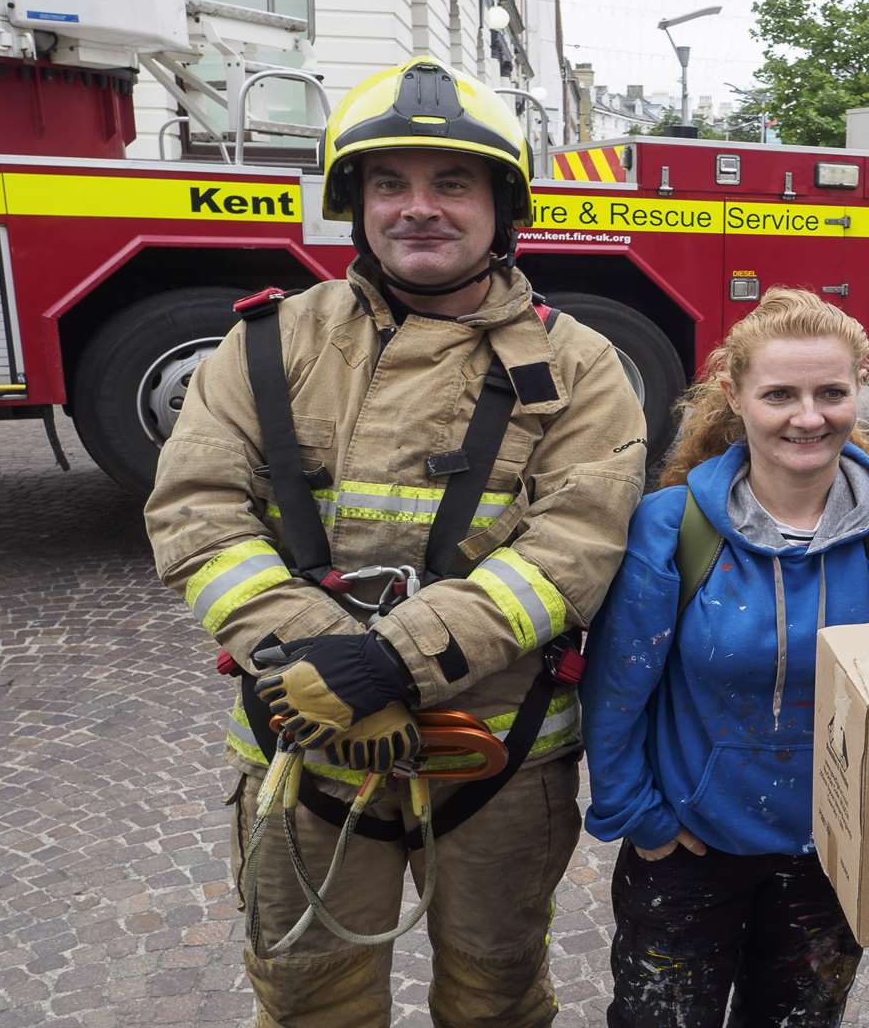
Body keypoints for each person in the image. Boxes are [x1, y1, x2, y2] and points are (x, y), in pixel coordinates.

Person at [143, 56, 647, 1026]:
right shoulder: (266, 346)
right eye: (390, 183)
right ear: (356, 203)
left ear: (503, 207)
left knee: (495, 1001)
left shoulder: (581, 369)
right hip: (303, 750)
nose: (419, 207)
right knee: (308, 1000)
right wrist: (308, 659)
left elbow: (570, 553)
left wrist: (388, 663)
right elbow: (196, 513)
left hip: (493, 761)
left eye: (451, 183)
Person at [581, 288, 869, 1028]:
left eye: (831, 392)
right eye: (780, 394)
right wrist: (643, 819)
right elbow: (617, 693)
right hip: (691, 852)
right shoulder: (672, 527)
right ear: (735, 394)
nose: (809, 417)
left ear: (861, 390)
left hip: (830, 858)